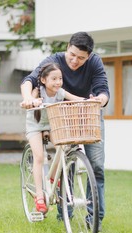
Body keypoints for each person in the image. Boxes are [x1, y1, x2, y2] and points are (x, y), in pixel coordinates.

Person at [21, 32, 110, 230]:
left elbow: (102, 88)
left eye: (81, 58)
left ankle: (94, 220)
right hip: (59, 117)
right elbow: (31, 79)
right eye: (72, 54)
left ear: (88, 56)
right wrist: (28, 98)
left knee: (96, 166)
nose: (75, 60)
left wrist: (99, 99)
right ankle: (65, 215)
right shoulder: (54, 60)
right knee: (66, 163)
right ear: (67, 47)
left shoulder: (95, 62)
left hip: (88, 112)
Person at [22, 62, 84, 214]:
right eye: (54, 79)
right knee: (39, 157)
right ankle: (39, 196)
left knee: (63, 148)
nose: (58, 82)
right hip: (35, 126)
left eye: (60, 79)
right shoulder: (39, 91)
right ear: (43, 80)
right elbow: (29, 98)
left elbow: (75, 98)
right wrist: (31, 101)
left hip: (52, 125)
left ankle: (51, 179)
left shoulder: (60, 93)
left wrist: (89, 100)